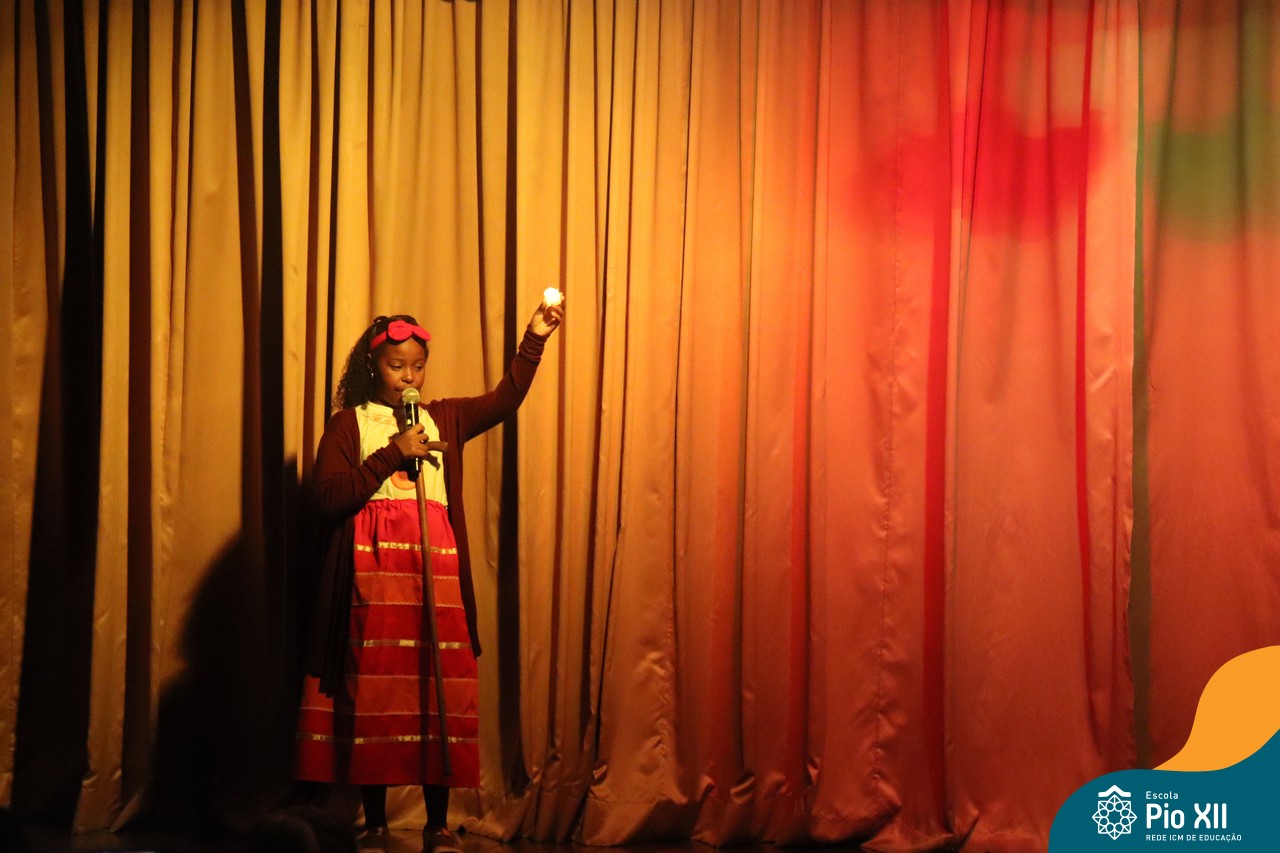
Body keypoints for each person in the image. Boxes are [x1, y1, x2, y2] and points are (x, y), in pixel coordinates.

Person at [295, 299, 564, 853]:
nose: (409, 377)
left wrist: (534, 339)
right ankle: (374, 822)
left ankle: (437, 824)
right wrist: (391, 454)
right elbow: (328, 498)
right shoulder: (350, 424)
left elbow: (505, 399)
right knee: (375, 695)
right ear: (374, 367)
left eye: (418, 366)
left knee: (435, 690)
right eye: (397, 366)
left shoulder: (445, 418)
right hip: (371, 583)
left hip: (433, 579)